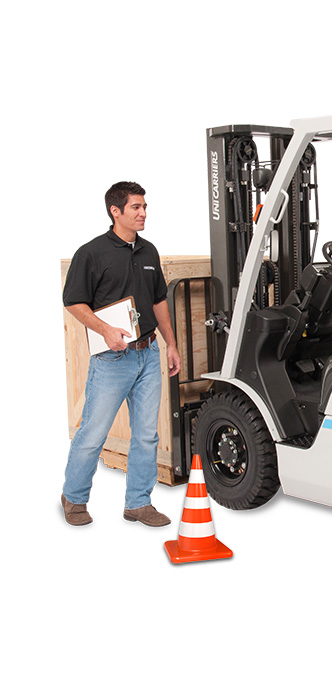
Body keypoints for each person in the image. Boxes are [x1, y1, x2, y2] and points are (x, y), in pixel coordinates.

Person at [61, 181, 181, 527]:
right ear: (116, 211)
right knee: (94, 433)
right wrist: (104, 329)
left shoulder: (148, 251)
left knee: (146, 435)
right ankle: (74, 498)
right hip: (112, 359)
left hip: (147, 354)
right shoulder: (92, 253)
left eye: (144, 207)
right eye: (136, 208)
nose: (143, 213)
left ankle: (138, 503)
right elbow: (73, 302)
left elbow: (159, 301)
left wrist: (170, 344)